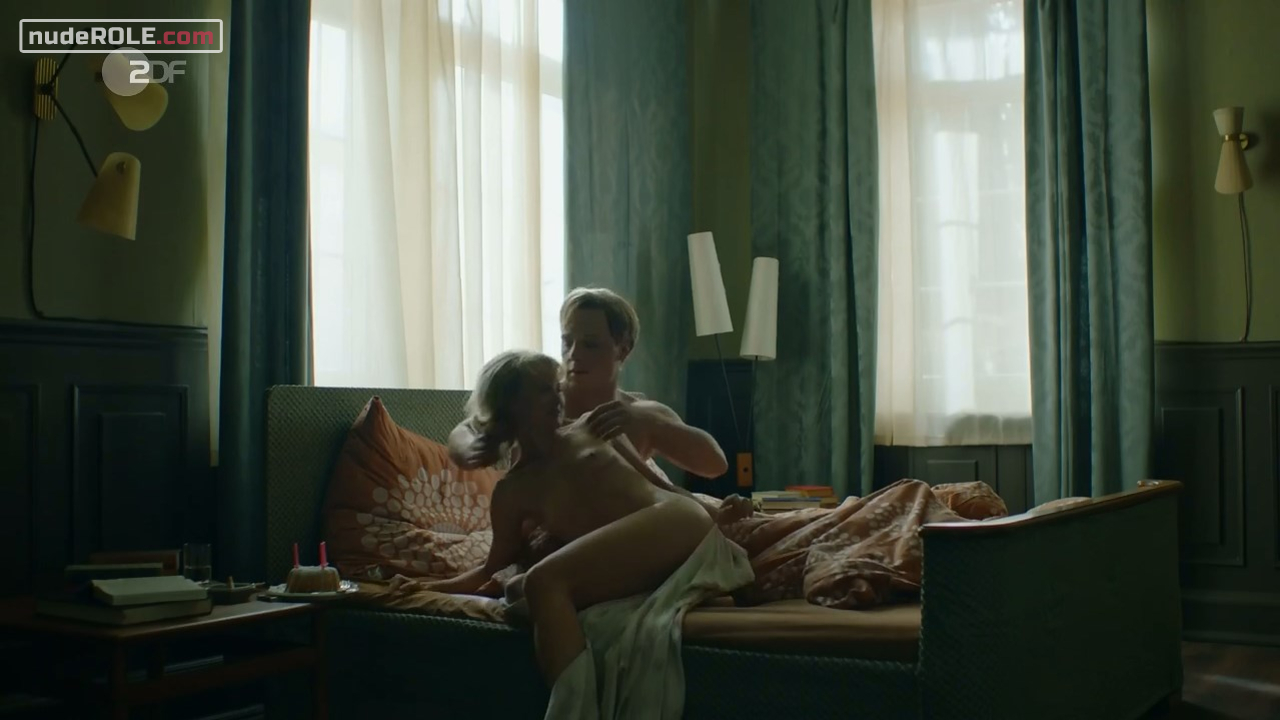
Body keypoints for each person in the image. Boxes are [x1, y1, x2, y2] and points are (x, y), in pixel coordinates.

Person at [421, 350, 744, 685]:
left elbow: (659, 485)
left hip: (678, 520)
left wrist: (717, 513)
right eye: (544, 390)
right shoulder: (512, 491)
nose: (558, 397)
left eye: (557, 387)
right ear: (512, 404)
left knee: (542, 582)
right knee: (519, 590)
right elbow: (492, 568)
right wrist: (425, 588)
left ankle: (572, 707)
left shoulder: (592, 426)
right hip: (642, 558)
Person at [447, 286, 750, 522]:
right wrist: (472, 448)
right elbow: (467, 429)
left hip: (639, 524)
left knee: (763, 531)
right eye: (567, 341)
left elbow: (715, 464)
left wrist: (649, 423)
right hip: (554, 531)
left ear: (623, 349)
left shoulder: (641, 412)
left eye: (590, 344)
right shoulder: (541, 402)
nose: (573, 354)